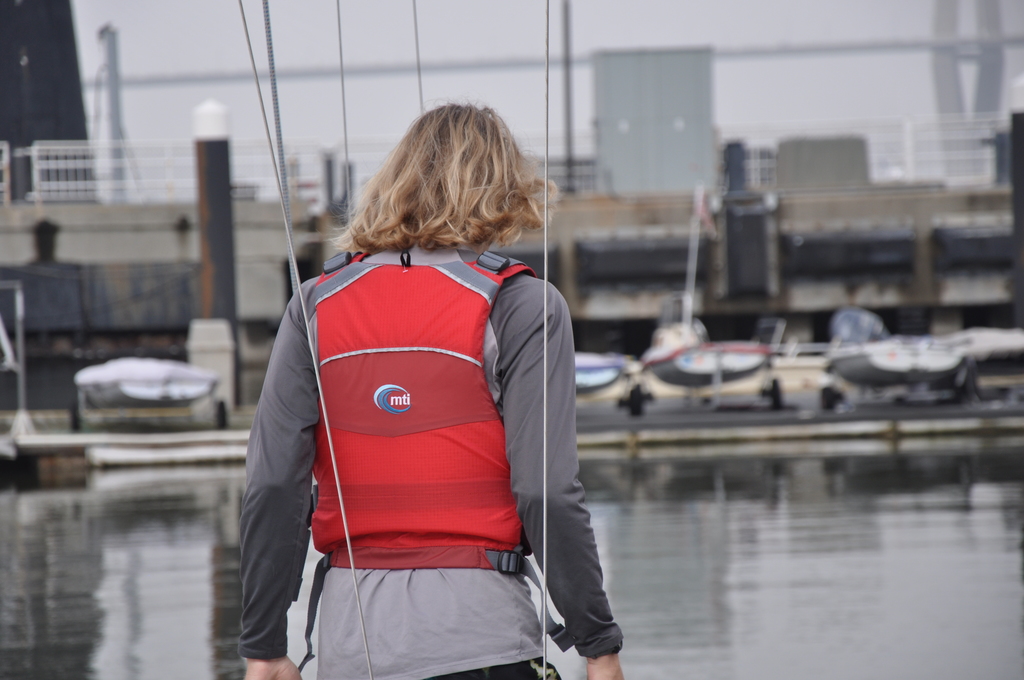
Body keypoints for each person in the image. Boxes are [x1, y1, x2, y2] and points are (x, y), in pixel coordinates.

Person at [238, 103, 625, 680]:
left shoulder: (313, 307)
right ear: (504, 188)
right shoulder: (521, 306)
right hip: (484, 640)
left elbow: (272, 485)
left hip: (351, 645)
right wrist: (598, 643)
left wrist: (265, 646)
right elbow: (544, 491)